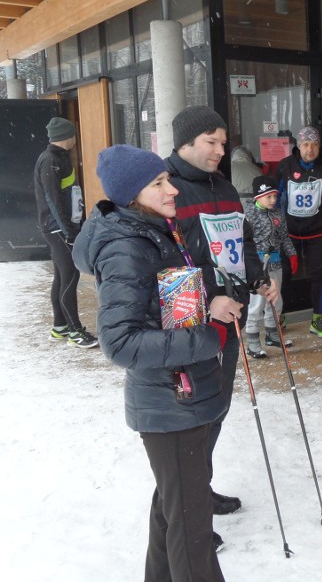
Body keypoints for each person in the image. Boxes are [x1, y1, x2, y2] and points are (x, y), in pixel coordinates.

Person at [73, 144, 245, 579]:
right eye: (158, 183)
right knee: (192, 533)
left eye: (167, 180)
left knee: (173, 513)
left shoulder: (158, 229)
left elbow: (168, 303)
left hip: (181, 396)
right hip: (169, 404)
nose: (172, 189)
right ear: (133, 194)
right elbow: (120, 341)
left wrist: (211, 303)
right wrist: (207, 337)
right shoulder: (127, 247)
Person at [166, 105, 279, 523]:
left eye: (222, 141)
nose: (220, 149)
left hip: (230, 319)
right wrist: (205, 299)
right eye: (210, 142)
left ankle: (200, 488)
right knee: (189, 419)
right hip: (190, 327)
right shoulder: (165, 189)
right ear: (185, 142)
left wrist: (260, 276)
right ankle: (186, 512)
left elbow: (241, 245)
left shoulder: (226, 188)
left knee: (215, 409)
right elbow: (162, 263)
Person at [275, 126, 322, 338]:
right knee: (284, 275)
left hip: (317, 233)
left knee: (319, 276)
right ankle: (280, 315)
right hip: (289, 234)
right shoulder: (286, 166)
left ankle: (317, 319)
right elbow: (272, 197)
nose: (310, 149)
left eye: (314, 144)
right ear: (298, 145)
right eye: (306, 144)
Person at [33, 117, 98, 348]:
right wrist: (68, 230)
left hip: (63, 226)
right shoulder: (51, 160)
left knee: (61, 276)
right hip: (58, 228)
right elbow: (52, 199)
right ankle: (75, 331)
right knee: (70, 277)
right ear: (68, 136)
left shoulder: (59, 158)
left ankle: (60, 326)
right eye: (74, 134)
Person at [243, 175, 297, 357]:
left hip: (274, 263)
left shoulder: (278, 214)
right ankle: (252, 341)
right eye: (269, 197)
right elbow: (244, 242)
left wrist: (292, 254)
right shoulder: (249, 215)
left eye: (275, 196)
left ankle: (273, 335)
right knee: (257, 303)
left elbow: (284, 237)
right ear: (258, 197)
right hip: (257, 265)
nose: (273, 200)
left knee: (275, 300)